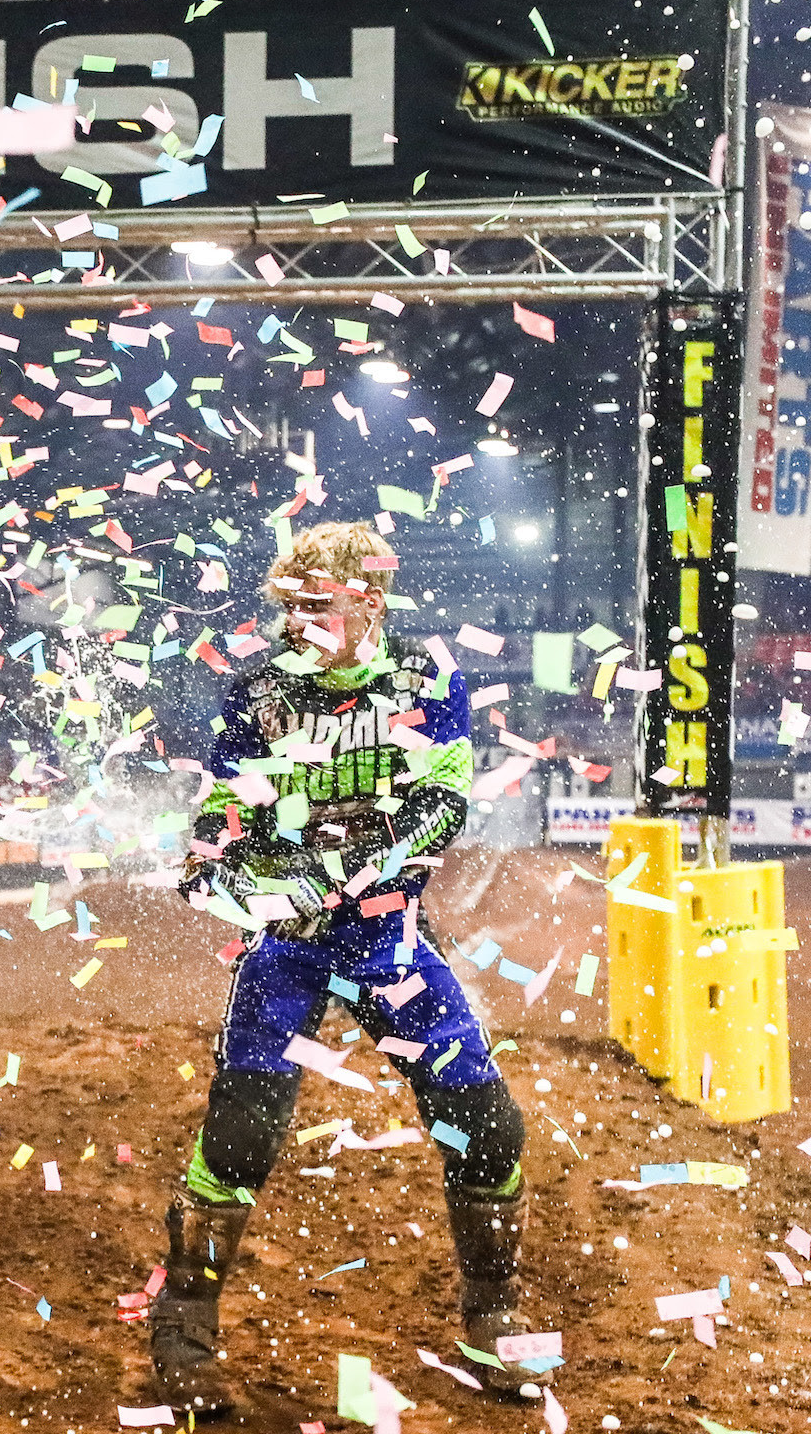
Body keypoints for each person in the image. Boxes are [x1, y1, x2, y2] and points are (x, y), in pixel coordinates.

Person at [149, 521, 537, 1413]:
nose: (297, 623)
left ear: (371, 601)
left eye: (317, 606)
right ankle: (184, 1320)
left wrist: (358, 867)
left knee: (487, 1123)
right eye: (288, 606)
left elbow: (443, 799)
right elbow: (225, 799)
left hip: (384, 931)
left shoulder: (427, 679)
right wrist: (209, 852)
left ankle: (493, 1316)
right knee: (244, 1133)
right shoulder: (259, 689)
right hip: (286, 939)